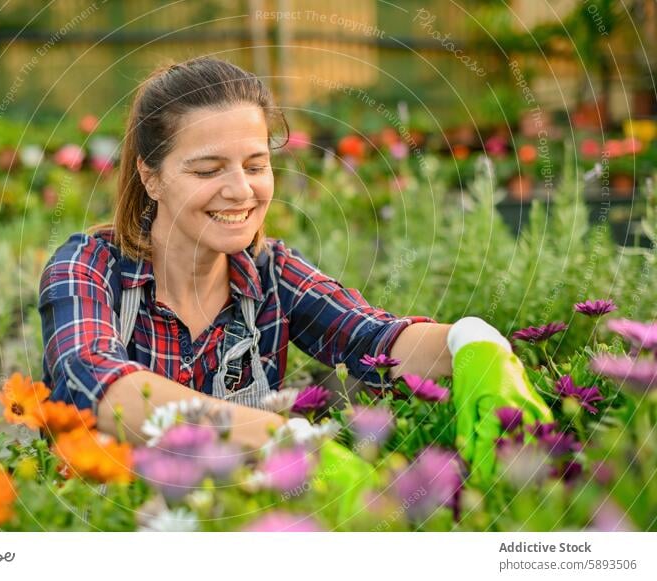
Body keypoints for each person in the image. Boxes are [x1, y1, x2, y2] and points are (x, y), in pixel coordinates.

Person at [38, 56, 551, 491]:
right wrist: (280, 439)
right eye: (207, 169)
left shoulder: (270, 273)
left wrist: (474, 344)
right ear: (151, 177)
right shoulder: (88, 268)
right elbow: (96, 386)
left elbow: (372, 339)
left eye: (255, 165)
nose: (240, 190)